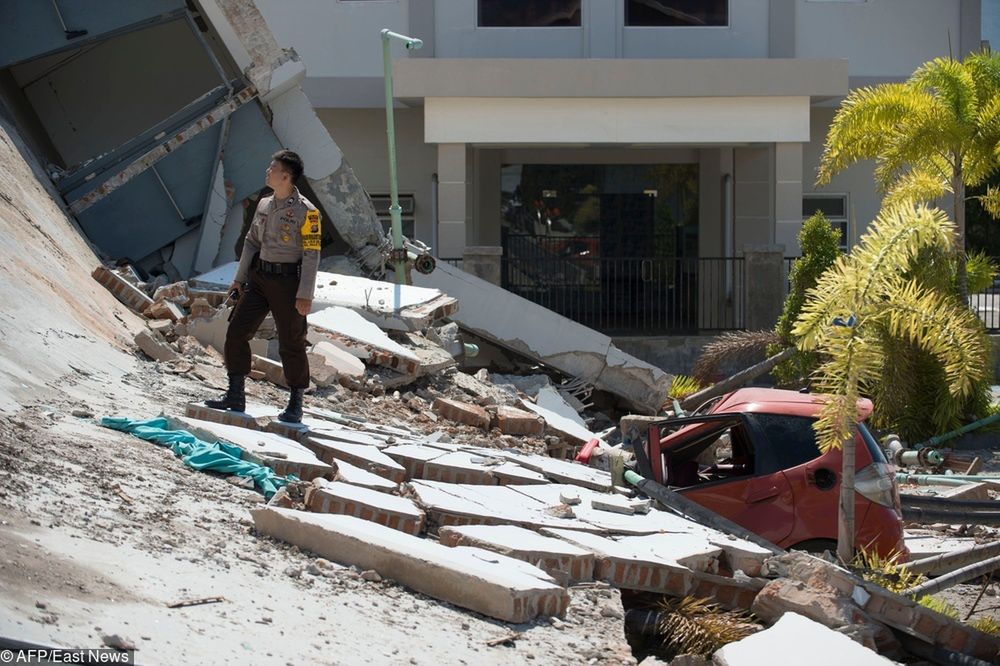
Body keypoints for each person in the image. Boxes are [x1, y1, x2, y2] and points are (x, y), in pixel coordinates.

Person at [205, 150, 321, 423]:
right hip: (259, 279)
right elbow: (251, 242)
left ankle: (295, 402)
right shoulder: (264, 204)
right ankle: (235, 394)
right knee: (236, 332)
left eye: (273, 167)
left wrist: (305, 294)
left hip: (288, 283)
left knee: (291, 342)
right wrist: (239, 278)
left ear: (285, 175)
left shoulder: (309, 213)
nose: (267, 170)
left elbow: (312, 254)